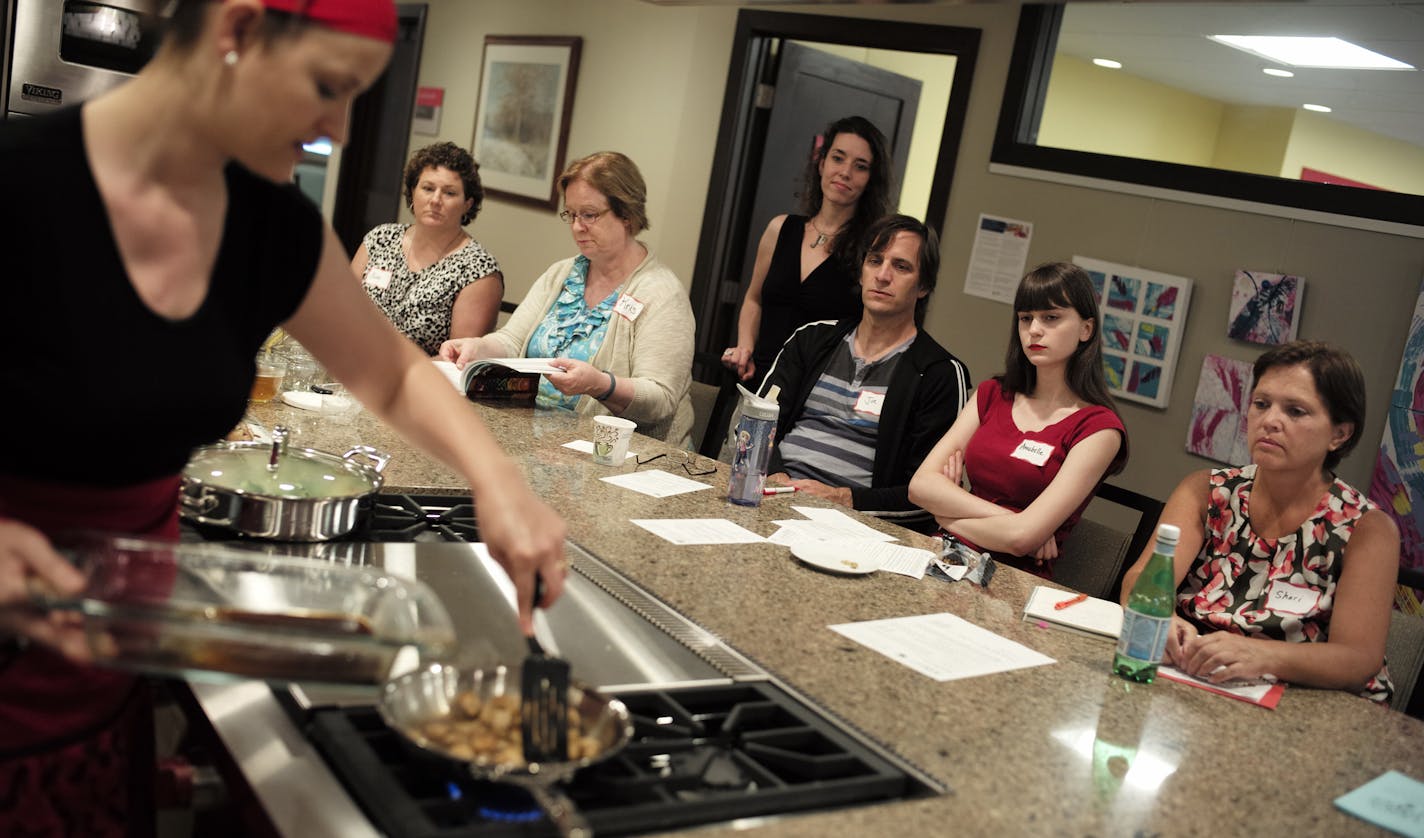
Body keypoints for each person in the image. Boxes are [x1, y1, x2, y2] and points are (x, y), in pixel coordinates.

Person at [0, 1, 564, 832]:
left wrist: (499, 480)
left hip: (105, 648)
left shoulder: (270, 226)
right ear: (237, 31)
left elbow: (393, 373)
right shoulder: (22, 183)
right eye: (329, 88)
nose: (335, 130)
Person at [1119, 341, 1397, 702]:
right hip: (1196, 679)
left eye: (1296, 411)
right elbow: (1140, 580)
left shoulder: (1366, 528)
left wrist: (1265, 655)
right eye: (1261, 404)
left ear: (1339, 434)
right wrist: (1161, 618)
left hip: (1311, 703)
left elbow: (1358, 659)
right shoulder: (1206, 491)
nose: (1270, 421)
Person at [440, 152, 696, 447]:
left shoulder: (661, 293)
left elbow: (660, 400)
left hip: (621, 456)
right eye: (571, 215)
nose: (576, 227)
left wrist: (600, 385)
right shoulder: (562, 274)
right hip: (540, 441)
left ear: (627, 215)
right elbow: (513, 340)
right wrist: (477, 347)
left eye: (589, 215)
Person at [908, 262, 1127, 577]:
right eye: (1026, 318)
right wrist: (1011, 520)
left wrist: (945, 512)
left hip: (1011, 580)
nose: (1034, 330)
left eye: (1051, 317)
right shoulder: (993, 393)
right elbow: (920, 486)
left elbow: (1021, 539)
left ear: (1086, 329)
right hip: (942, 553)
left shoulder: (1099, 429)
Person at [760, 215, 971, 533]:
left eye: (901, 267)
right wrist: (778, 480)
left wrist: (842, 498)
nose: (883, 276)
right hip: (771, 495)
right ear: (861, 271)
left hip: (854, 528)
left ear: (924, 286)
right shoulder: (811, 339)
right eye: (875, 260)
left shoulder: (939, 374)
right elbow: (757, 421)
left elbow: (930, 500)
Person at [721, 115, 894, 388]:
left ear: (871, 179)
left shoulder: (872, 250)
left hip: (817, 391)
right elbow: (754, 300)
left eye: (860, 166)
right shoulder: (779, 229)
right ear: (822, 163)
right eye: (838, 158)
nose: (845, 172)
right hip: (756, 379)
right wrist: (745, 347)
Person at [353, 141, 503, 354]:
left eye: (449, 193)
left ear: (467, 204)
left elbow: (457, 361)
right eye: (428, 188)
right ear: (413, 192)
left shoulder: (478, 271)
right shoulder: (380, 238)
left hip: (419, 380)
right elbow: (342, 310)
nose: (435, 200)